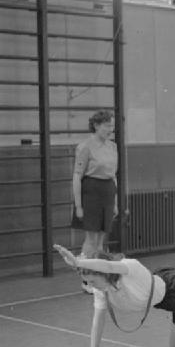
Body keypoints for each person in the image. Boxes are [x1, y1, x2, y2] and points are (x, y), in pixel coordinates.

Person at [72, 109, 119, 259]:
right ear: (96, 125)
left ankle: (98, 275)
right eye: (107, 126)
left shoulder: (112, 147)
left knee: (101, 242)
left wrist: (115, 202)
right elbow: (77, 176)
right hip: (91, 193)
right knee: (91, 240)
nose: (110, 130)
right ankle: (85, 272)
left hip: (108, 193)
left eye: (112, 126)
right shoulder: (85, 146)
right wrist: (79, 206)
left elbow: (113, 176)